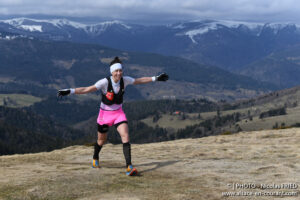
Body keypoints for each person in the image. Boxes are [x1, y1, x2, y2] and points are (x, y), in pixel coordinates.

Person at [57, 57, 169, 176]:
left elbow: (139, 80)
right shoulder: (104, 82)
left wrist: (155, 78)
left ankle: (129, 167)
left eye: (120, 71)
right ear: (111, 72)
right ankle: (95, 158)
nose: (119, 73)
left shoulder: (125, 81)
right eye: (116, 71)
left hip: (118, 113)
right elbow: (87, 89)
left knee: (125, 136)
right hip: (104, 115)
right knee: (101, 140)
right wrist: (70, 91)